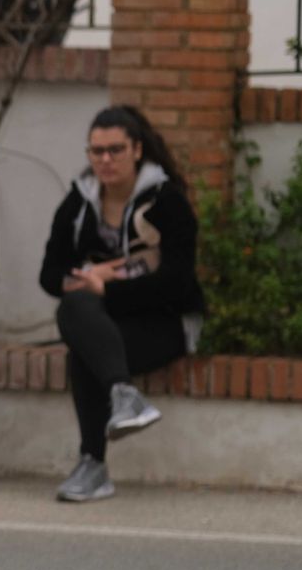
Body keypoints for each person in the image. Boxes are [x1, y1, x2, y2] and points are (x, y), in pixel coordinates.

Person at [39, 106, 204, 503]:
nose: (105, 160)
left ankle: (93, 464)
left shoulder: (167, 202)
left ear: (137, 151)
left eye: (115, 150)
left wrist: (107, 287)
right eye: (96, 151)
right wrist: (89, 277)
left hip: (165, 323)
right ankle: (123, 395)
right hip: (104, 325)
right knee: (74, 310)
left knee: (85, 344)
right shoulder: (79, 201)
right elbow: (49, 274)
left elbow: (177, 284)